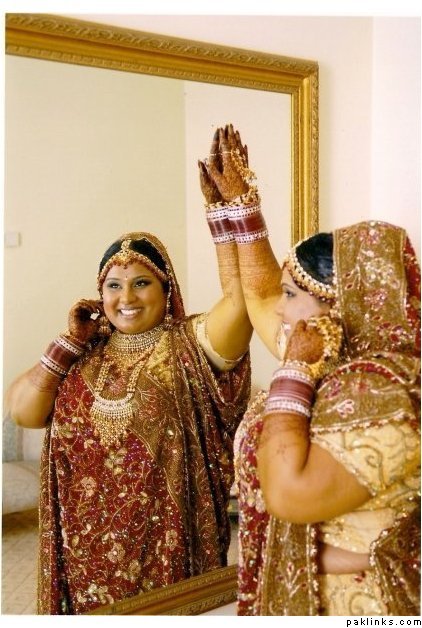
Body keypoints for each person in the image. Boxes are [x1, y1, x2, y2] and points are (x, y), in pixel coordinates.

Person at [199, 125, 420, 616]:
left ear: (339, 305)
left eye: (292, 294)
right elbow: (258, 295)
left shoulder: (378, 390)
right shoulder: (330, 361)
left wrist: (294, 371)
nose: (280, 309)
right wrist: (236, 209)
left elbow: (289, 495)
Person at [5, 227, 252, 614]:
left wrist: (229, 220)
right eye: (114, 286)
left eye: (141, 283)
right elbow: (23, 412)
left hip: (166, 546)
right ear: (100, 294)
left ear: (166, 289)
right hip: (83, 554)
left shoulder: (190, 344)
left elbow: (241, 301)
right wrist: (67, 344)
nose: (126, 298)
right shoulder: (83, 355)